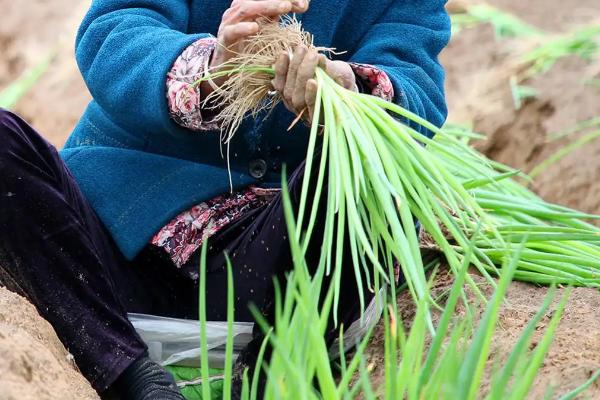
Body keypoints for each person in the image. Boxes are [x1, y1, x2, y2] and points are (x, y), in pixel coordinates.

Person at [0, 0, 450, 398]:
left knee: (366, 172)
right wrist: (212, 68)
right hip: (112, 250)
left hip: (276, 273)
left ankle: (270, 377)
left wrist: (345, 93)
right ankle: (130, 374)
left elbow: (415, 83)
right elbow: (116, 29)